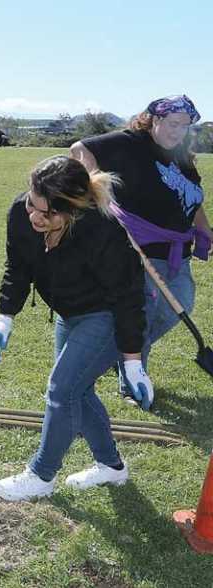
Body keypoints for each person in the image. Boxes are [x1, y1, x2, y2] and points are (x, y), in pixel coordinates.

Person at [0, 155, 152, 501]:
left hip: (106, 315)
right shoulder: (21, 213)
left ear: (72, 211)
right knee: (79, 390)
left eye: (46, 213)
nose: (33, 215)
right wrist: (5, 316)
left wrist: (133, 361)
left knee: (62, 390)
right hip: (69, 313)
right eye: (32, 203)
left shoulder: (102, 231)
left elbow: (127, 298)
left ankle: (41, 475)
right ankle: (111, 467)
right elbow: (17, 266)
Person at [70, 95, 208, 409]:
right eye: (173, 124)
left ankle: (122, 354)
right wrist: (94, 187)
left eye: (185, 126)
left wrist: (205, 229)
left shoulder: (181, 156)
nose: (179, 132)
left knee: (178, 304)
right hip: (139, 247)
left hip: (177, 249)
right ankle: (132, 379)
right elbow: (80, 148)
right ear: (153, 119)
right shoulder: (131, 143)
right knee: (142, 315)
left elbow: (192, 198)